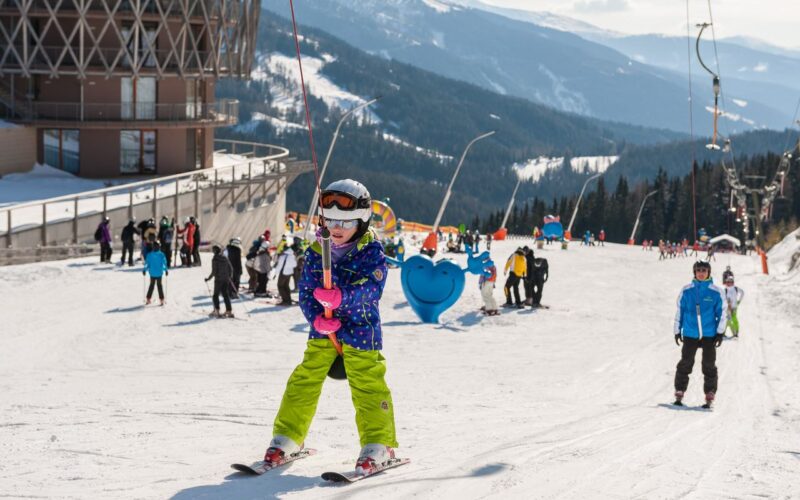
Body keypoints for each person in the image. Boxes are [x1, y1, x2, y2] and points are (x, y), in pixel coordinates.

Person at [264, 179, 398, 475]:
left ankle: (378, 442)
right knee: (304, 379)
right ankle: (288, 437)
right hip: (325, 330)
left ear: (361, 222)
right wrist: (316, 318)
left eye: (346, 222)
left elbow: (372, 288)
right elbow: (306, 291)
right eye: (331, 220)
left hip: (361, 330)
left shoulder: (371, 252)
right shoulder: (317, 250)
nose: (337, 228)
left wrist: (342, 297)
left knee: (367, 383)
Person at [672, 261, 727, 408]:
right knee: (686, 362)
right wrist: (677, 330)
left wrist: (720, 332)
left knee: (709, 364)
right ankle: (679, 390)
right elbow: (680, 311)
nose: (701, 273)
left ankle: (710, 392)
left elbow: (722, 313)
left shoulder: (716, 292)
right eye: (698, 270)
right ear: (694, 272)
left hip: (709, 334)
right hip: (690, 333)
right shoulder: (687, 290)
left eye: (704, 270)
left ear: (709, 272)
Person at [205, 245, 234, 318]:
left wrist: (208, 279)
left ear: (214, 251)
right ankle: (229, 311)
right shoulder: (225, 257)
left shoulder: (215, 259)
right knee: (225, 294)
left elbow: (214, 271)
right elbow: (231, 268)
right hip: (226, 279)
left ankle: (217, 310)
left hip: (218, 280)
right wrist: (229, 276)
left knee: (215, 295)